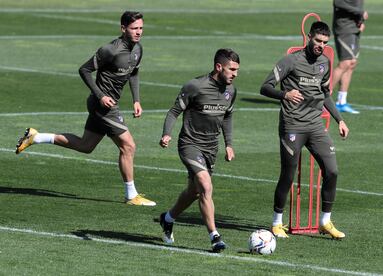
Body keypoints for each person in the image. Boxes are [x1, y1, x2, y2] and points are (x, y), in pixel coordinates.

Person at [15, 11, 155, 206]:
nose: (138, 32)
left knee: (86, 146)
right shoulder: (110, 50)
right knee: (128, 146)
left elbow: (134, 73)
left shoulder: (138, 49)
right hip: (103, 106)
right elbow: (84, 69)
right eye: (134, 28)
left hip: (109, 105)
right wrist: (101, 96)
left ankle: (36, 137)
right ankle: (131, 195)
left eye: (140, 28)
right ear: (123, 28)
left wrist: (136, 100)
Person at [260, 21, 349, 239]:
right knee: (288, 175)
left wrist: (340, 120)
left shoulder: (325, 63)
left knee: (332, 171)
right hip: (293, 125)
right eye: (318, 40)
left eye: (325, 42)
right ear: (309, 37)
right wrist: (285, 95)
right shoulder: (291, 60)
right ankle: (276, 222)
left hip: (315, 125)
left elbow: (325, 94)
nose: (321, 45)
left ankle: (325, 222)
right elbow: (265, 87)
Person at [159, 48, 240, 252]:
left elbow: (227, 116)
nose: (235, 74)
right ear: (218, 67)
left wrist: (229, 143)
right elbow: (174, 111)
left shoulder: (231, 91)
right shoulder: (195, 86)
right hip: (190, 144)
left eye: (237, 70)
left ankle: (167, 218)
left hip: (211, 148)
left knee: (194, 191)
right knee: (205, 185)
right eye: (231, 69)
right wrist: (166, 133)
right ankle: (214, 236)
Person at [332, 0, 368, 114]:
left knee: (352, 63)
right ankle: (320, 99)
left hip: (354, 27)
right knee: (345, 63)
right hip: (344, 27)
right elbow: (338, 3)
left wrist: (360, 20)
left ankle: (341, 102)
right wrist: (360, 12)